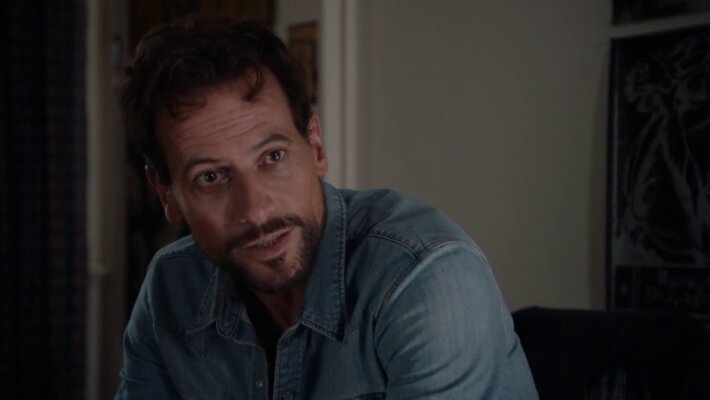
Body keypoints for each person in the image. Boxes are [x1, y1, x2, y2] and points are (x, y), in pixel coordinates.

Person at [116, 16, 538, 400]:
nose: (257, 211)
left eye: (273, 157)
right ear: (167, 195)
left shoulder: (426, 279)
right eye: (210, 177)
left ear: (315, 147)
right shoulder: (171, 288)